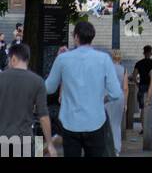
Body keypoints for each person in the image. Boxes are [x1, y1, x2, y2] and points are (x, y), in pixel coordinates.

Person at [44, 20, 122, 159]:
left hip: (70, 121)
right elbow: (116, 93)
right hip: (95, 120)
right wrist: (104, 99)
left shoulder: (63, 59)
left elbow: (49, 88)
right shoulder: (104, 59)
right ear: (92, 37)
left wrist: (60, 59)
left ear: (75, 37)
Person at [0, 42, 55, 158]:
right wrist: (49, 144)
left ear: (13, 58)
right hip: (25, 139)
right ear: (27, 59)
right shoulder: (38, 81)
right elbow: (43, 116)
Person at [107, 50, 128, 155]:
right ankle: (116, 149)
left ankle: (107, 147)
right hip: (119, 98)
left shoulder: (107, 68)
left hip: (108, 97)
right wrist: (125, 103)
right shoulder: (124, 69)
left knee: (107, 124)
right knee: (116, 124)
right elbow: (125, 88)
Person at [132, 45, 152, 122]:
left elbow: (134, 76)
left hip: (142, 87)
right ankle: (150, 127)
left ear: (144, 53)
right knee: (151, 107)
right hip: (151, 87)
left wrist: (138, 84)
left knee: (143, 109)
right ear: (151, 53)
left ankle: (143, 128)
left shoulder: (139, 63)